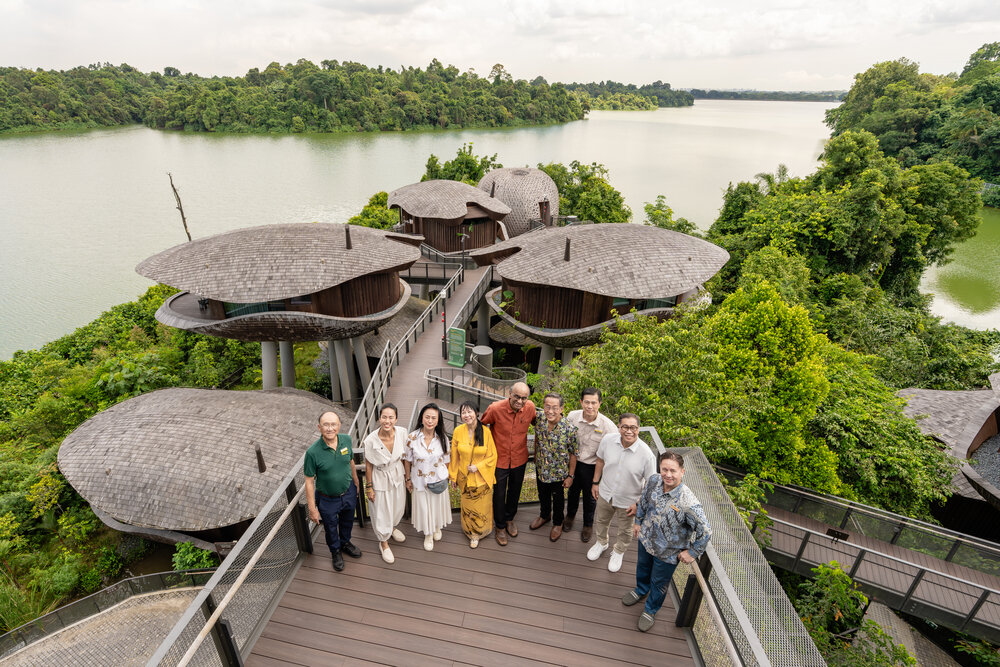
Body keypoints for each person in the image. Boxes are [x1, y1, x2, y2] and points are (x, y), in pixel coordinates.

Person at [623, 451, 711, 632]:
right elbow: (644, 501)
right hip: (646, 540)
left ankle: (650, 609)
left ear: (682, 472)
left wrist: (693, 552)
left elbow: (706, 531)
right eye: (665, 469)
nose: (668, 475)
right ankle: (640, 590)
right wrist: (638, 522)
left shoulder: (688, 502)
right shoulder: (654, 481)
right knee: (642, 568)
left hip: (668, 553)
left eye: (673, 470)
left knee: (659, 582)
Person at [586, 413, 657, 573]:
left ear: (638, 429)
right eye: (625, 426)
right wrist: (595, 482)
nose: (629, 431)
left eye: (633, 427)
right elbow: (600, 460)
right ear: (619, 427)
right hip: (605, 492)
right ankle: (601, 542)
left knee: (625, 530)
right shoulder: (608, 440)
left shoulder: (646, 454)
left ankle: (618, 552)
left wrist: (638, 503)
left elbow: (651, 485)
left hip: (629, 501)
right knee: (602, 520)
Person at [305, 411, 362, 572]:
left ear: (339, 426)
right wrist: (312, 508)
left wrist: (356, 482)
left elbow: (350, 461)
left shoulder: (346, 440)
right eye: (326, 424)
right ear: (319, 427)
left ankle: (345, 542)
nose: (330, 428)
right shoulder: (312, 453)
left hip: (348, 491)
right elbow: (309, 481)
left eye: (333, 424)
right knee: (330, 527)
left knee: (348, 520)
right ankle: (335, 551)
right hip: (328, 498)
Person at [481, 382, 536, 547]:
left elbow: (538, 424)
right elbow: (481, 426)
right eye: (517, 397)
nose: (520, 401)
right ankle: (499, 526)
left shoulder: (531, 407)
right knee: (498, 493)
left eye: (524, 398)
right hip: (499, 459)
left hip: (519, 458)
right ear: (510, 394)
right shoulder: (495, 408)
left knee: (515, 490)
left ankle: (510, 518)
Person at [565, 388, 618, 543]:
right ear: (581, 402)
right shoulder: (572, 417)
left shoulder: (608, 426)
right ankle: (570, 516)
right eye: (586, 402)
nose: (590, 406)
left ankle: (588, 525)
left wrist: (598, 480)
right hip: (574, 462)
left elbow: (611, 453)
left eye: (593, 403)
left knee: (590, 497)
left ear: (599, 404)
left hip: (593, 466)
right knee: (573, 493)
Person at [448, 401, 498, 548]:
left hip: (481, 477)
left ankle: (481, 531)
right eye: (463, 412)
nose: (466, 415)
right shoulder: (458, 431)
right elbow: (454, 456)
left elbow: (492, 456)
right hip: (464, 477)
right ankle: (470, 532)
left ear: (476, 413)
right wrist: (453, 476)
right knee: (468, 507)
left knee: (481, 508)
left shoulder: (486, 432)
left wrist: (478, 466)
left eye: (469, 412)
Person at [362, 403, 408, 564]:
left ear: (396, 419)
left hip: (397, 474)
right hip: (380, 477)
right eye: (384, 417)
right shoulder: (370, 440)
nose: (387, 421)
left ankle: (392, 527)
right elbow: (368, 465)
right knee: (381, 511)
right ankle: (383, 542)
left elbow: (404, 457)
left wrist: (408, 478)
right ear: (379, 418)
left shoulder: (402, 433)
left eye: (391, 417)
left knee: (397, 507)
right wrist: (369, 487)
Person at [403, 403, 453, 551]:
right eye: (427, 417)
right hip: (420, 481)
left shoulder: (443, 438)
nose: (430, 421)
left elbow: (447, 461)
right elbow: (407, 460)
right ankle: (428, 534)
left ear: (438, 421)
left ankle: (437, 526)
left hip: (438, 480)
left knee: (437, 506)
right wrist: (407, 479)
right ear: (422, 418)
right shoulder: (412, 437)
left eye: (433, 418)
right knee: (425, 508)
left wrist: (446, 478)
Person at [529, 392, 577, 542]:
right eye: (547, 407)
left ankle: (557, 523)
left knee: (558, 500)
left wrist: (570, 476)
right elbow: (537, 436)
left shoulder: (570, 429)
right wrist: (536, 456)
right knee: (542, 495)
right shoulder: (539, 419)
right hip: (541, 467)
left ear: (562, 408)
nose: (550, 411)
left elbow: (573, 454)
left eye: (555, 408)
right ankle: (544, 515)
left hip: (558, 473)